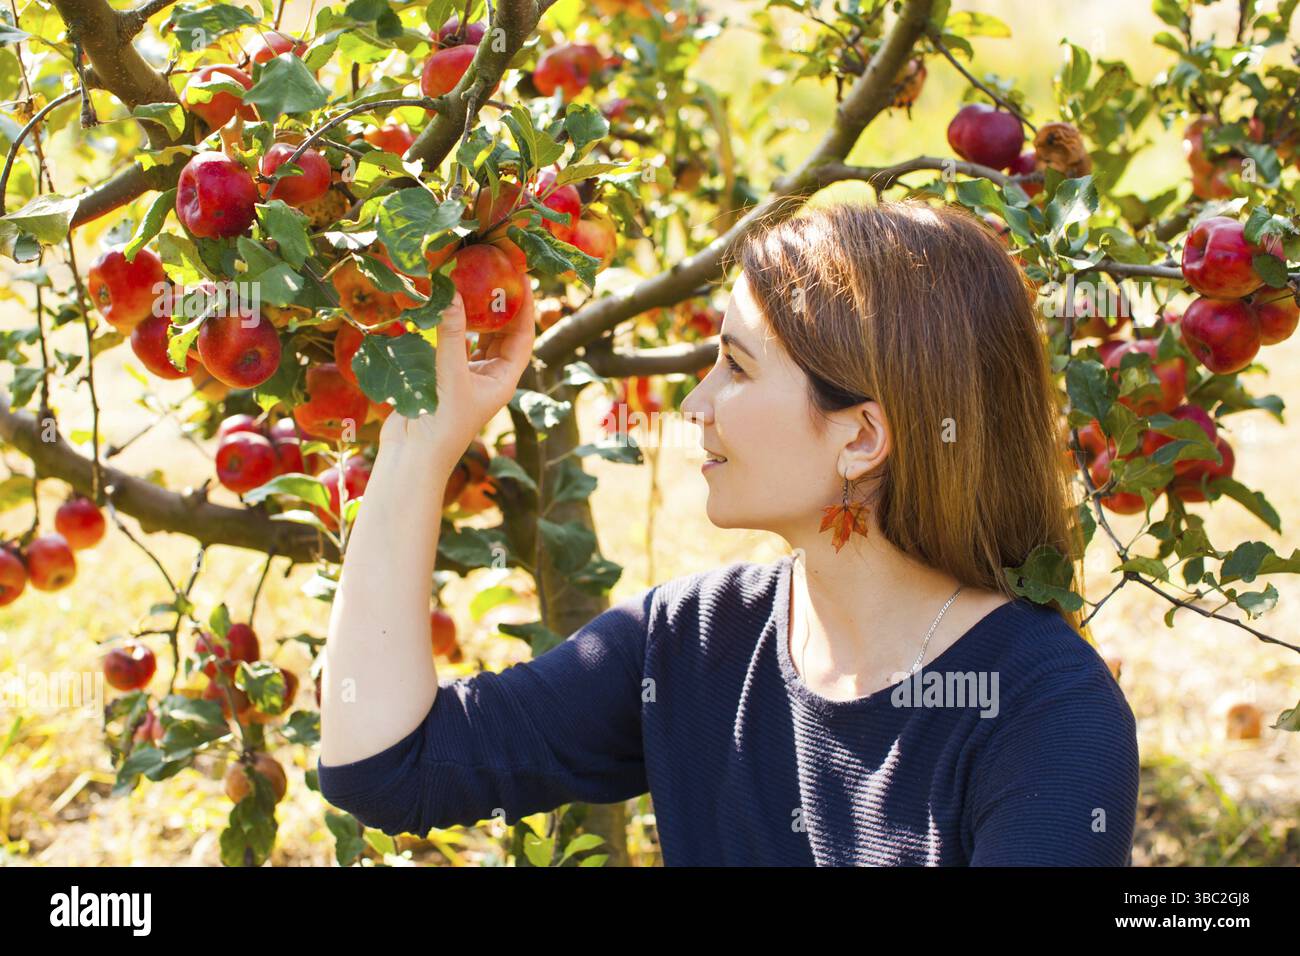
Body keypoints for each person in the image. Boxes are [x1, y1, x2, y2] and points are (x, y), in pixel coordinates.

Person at [317, 199, 1141, 866]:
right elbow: (388, 769)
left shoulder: (1044, 715)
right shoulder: (696, 642)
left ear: (860, 437)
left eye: (737, 369)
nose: (692, 406)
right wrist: (420, 443)